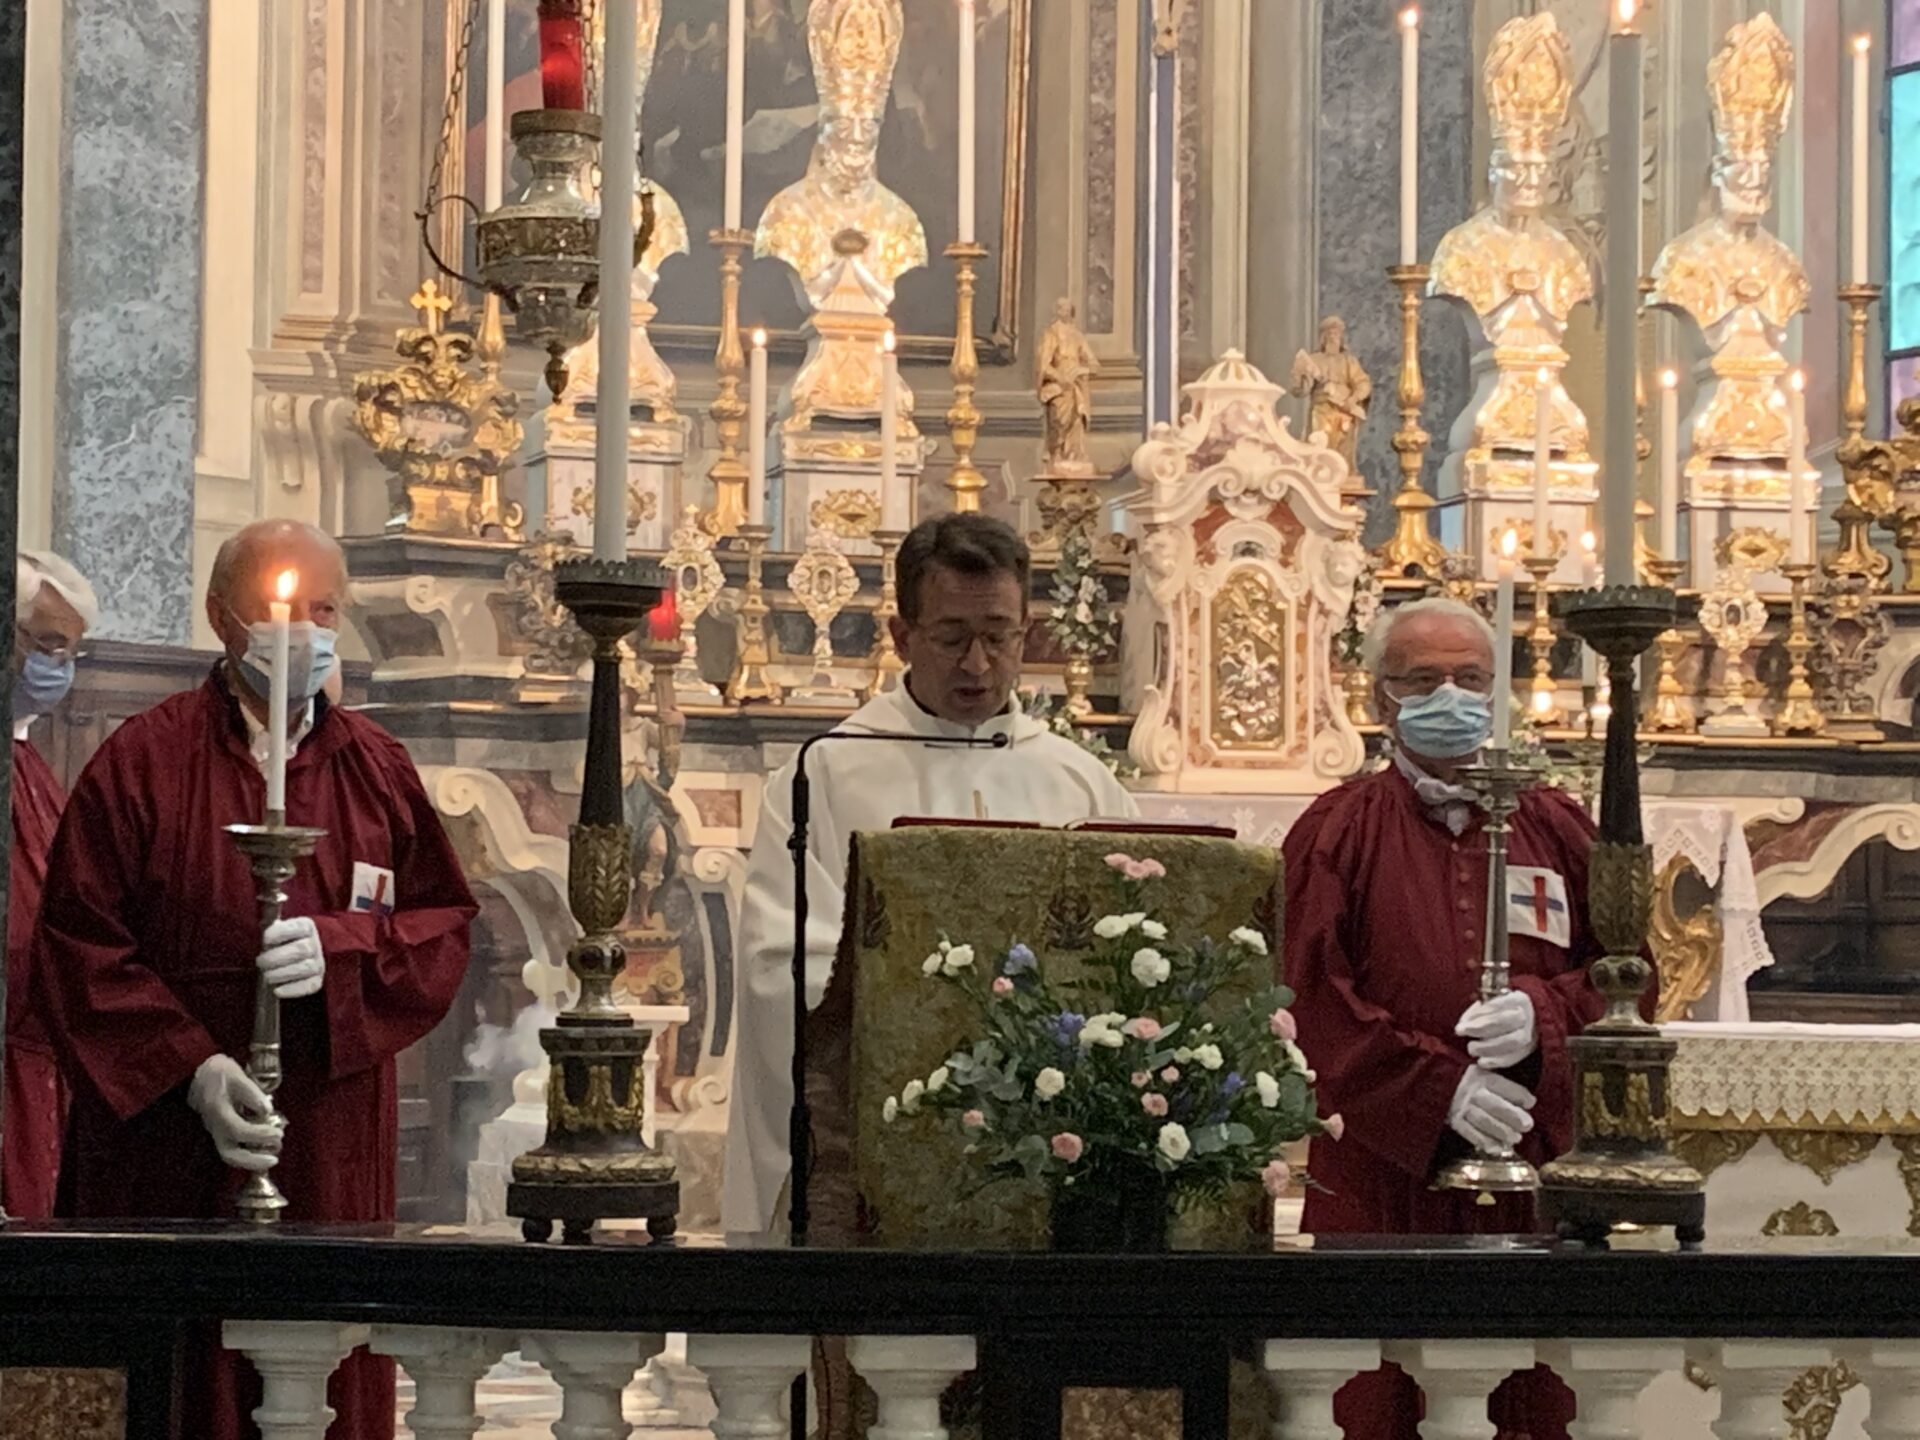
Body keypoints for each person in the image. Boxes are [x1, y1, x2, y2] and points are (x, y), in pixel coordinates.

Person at [35, 519, 477, 1440]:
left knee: (319, 1366)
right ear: (220, 618)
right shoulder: (141, 761)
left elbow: (440, 923)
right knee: (183, 1383)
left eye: (324, 610)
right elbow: (78, 943)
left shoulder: (376, 767)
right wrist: (191, 1068)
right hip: (167, 1141)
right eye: (279, 609)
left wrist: (345, 947)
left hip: (326, 1130)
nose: (305, 631)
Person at [722, 513, 1137, 1236]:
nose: (977, 664)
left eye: (999, 637)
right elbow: (778, 960)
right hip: (878, 1126)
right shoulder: (827, 774)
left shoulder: (1079, 783)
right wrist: (931, 1025)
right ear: (901, 635)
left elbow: (1132, 950)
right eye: (951, 638)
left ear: (1026, 632)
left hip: (1048, 1138)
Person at [1282, 597, 1610, 1440]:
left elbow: (1625, 975)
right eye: (1423, 680)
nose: (1450, 698)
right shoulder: (1338, 829)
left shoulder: (1557, 826)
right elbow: (1307, 992)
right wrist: (1438, 1089)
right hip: (1383, 1172)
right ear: (1380, 697)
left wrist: (1544, 1016)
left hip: (1529, 1159)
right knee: (1376, 1392)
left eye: (1470, 679)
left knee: (1522, 1393)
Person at [2, 551, 96, 1219]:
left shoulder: (29, 762)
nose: (61, 669)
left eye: (71, 653)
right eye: (51, 646)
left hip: (40, 1063)